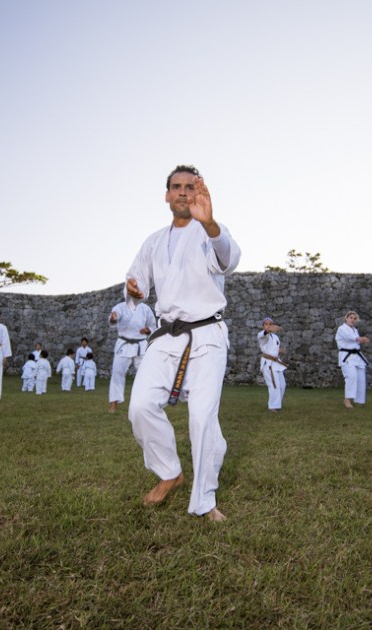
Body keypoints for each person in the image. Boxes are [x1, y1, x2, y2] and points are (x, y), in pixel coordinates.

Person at [125, 164, 241, 522]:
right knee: (140, 407)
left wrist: (210, 223)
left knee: (202, 418)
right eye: (176, 187)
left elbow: (229, 259)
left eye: (190, 186)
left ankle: (204, 499)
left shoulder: (210, 232)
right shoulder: (153, 241)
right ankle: (170, 472)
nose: (183, 192)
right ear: (166, 195)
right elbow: (136, 280)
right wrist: (133, 289)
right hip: (166, 337)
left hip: (206, 335)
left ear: (199, 192)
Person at [108, 301, 156, 413]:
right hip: (124, 344)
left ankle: (146, 403)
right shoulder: (120, 307)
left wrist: (148, 330)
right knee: (117, 374)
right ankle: (113, 403)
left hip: (141, 344)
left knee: (145, 374)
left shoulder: (145, 309)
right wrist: (113, 319)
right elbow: (112, 320)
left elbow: (152, 326)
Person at [336, 311, 370, 408]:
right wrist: (361, 339)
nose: (352, 320)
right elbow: (350, 338)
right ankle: (347, 400)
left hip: (357, 357)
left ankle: (359, 400)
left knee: (360, 377)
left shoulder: (355, 330)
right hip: (346, 356)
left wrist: (360, 339)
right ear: (346, 318)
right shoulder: (341, 329)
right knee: (351, 377)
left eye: (355, 319)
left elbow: (355, 340)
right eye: (351, 317)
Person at [258, 317, 287, 412]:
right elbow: (264, 335)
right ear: (263, 326)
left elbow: (272, 347)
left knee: (282, 385)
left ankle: (277, 403)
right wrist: (267, 330)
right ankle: (273, 406)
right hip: (268, 364)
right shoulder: (262, 335)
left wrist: (279, 350)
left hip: (276, 363)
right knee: (274, 385)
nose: (268, 326)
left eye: (270, 324)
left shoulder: (275, 337)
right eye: (266, 324)